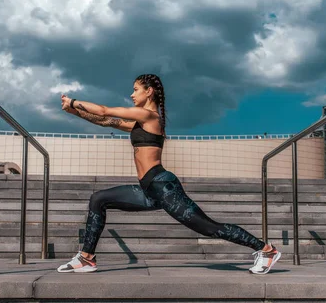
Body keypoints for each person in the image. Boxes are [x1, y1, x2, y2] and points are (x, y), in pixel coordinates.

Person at [56, 74, 281, 274]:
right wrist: (74, 112)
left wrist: (74, 101)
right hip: (148, 189)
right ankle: (86, 258)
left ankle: (266, 250)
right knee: (98, 199)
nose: (131, 94)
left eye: (135, 89)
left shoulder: (150, 117)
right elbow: (105, 121)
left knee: (209, 228)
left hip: (163, 187)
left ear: (149, 91)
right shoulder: (139, 122)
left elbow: (105, 110)